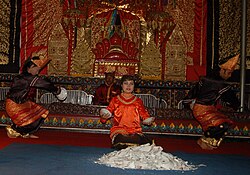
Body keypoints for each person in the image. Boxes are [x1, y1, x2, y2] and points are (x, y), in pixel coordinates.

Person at [182, 54, 240, 150]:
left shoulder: (205, 79)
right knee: (222, 124)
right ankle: (203, 140)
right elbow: (231, 98)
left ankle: (207, 141)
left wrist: (187, 102)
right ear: (222, 70)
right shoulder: (221, 84)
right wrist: (238, 106)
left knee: (225, 123)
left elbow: (193, 93)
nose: (230, 76)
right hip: (201, 109)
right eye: (229, 73)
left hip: (207, 108)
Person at [5, 55, 67, 138]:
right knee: (38, 115)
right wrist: (57, 91)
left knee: (41, 112)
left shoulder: (23, 77)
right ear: (30, 67)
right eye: (37, 69)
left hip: (19, 104)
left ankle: (24, 132)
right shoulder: (27, 78)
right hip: (14, 106)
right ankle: (14, 130)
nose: (38, 72)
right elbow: (44, 84)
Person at [99, 75, 155, 150]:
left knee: (138, 141)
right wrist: (103, 117)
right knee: (122, 141)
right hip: (119, 130)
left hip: (134, 130)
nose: (128, 86)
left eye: (131, 84)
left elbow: (144, 115)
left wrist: (148, 120)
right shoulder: (115, 100)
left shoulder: (138, 101)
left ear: (134, 86)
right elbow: (106, 114)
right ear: (121, 85)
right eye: (126, 83)